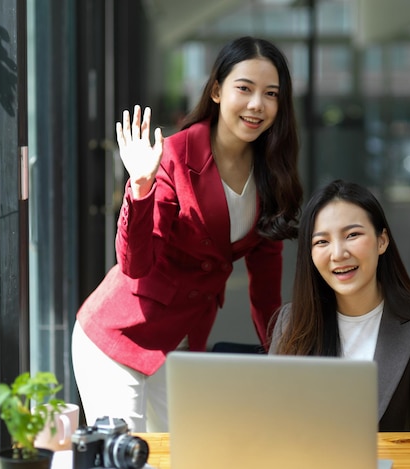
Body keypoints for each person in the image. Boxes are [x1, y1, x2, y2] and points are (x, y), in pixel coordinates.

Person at [71, 36, 303, 433]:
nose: (256, 105)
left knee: (187, 454)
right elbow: (134, 265)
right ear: (216, 90)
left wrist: (281, 361)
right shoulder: (174, 155)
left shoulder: (272, 176)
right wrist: (141, 187)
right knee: (128, 456)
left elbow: (265, 291)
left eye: (270, 94)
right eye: (244, 89)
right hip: (120, 337)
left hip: (179, 346)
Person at [269, 180, 410, 438]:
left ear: (382, 241)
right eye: (321, 241)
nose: (338, 253)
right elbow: (273, 422)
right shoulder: (293, 321)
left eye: (352, 235)